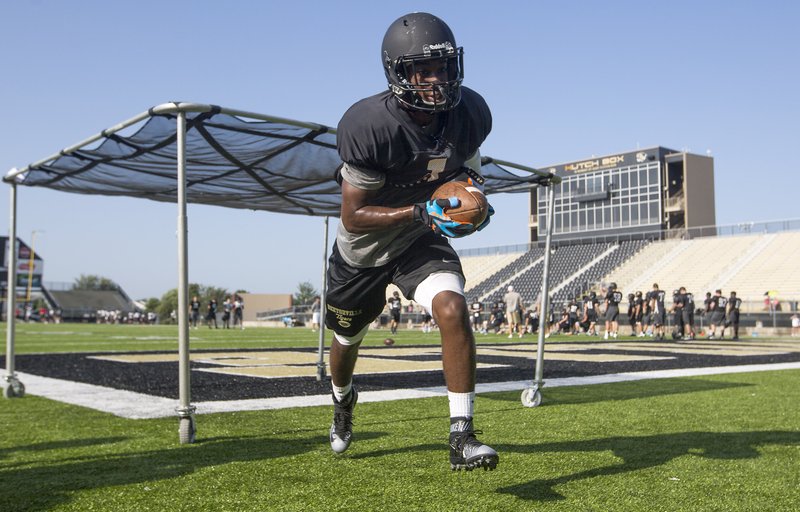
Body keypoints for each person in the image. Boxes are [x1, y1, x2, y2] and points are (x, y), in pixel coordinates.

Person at [323, 12, 497, 471]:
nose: (437, 79)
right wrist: (419, 210)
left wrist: (472, 198)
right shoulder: (369, 124)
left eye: (444, 67)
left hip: (419, 239)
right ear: (399, 73)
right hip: (362, 252)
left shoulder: (470, 113)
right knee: (346, 339)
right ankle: (343, 401)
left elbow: (468, 169)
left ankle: (462, 435)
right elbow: (353, 216)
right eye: (424, 69)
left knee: (452, 307)